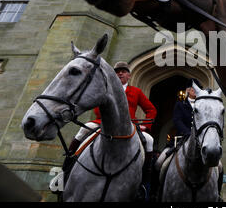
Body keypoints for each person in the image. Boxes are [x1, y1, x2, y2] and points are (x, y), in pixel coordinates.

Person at [64, 61, 157, 197]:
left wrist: (145, 125)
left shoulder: (136, 91)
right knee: (83, 130)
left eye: (124, 71)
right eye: (118, 71)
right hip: (103, 122)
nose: (120, 73)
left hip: (129, 125)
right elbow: (96, 106)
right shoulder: (107, 88)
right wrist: (105, 119)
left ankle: (144, 179)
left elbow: (151, 109)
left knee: (149, 140)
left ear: (129, 75)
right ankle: (67, 165)